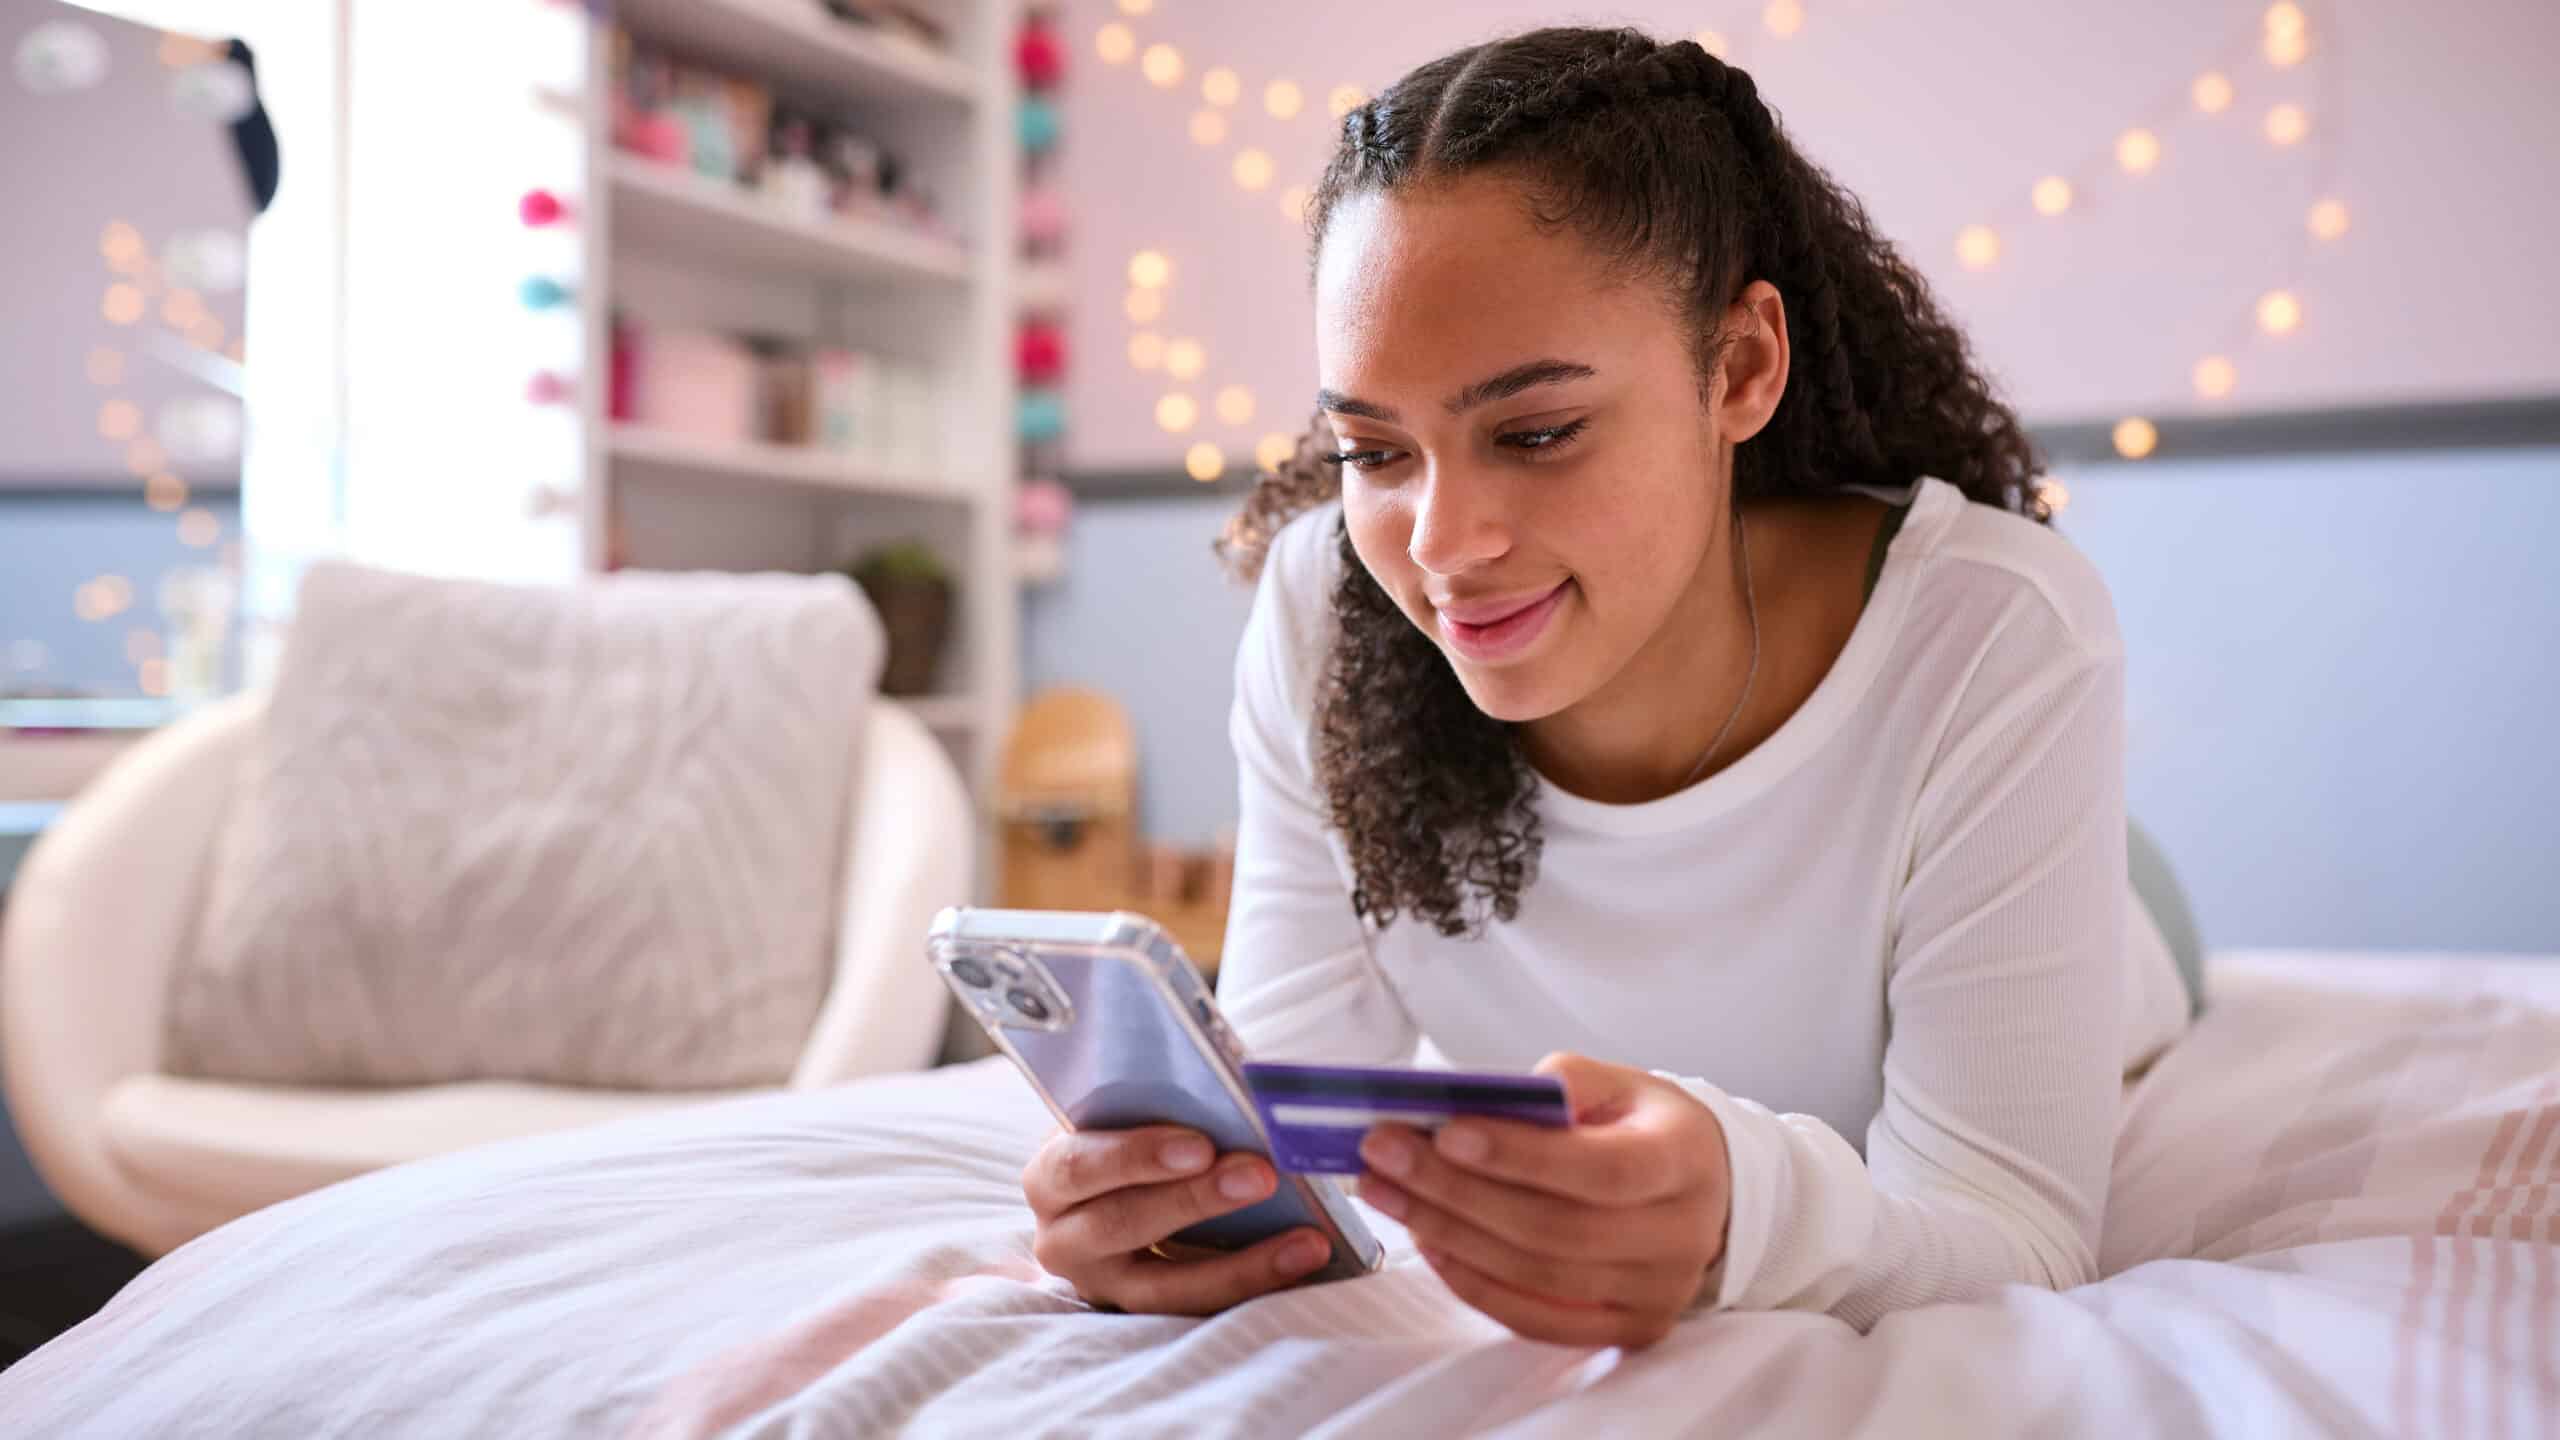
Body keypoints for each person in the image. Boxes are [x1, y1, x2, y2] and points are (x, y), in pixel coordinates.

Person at [1020, 25, 2192, 1348]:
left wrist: (1743, 1208)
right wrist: (1188, 1205)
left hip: (2106, 908)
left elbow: (2016, 1232)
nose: (1443, 544)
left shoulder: (1996, 631)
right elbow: (1291, 1104)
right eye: (1372, 451)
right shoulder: (1324, 610)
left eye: (1536, 433)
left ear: (1740, 369)